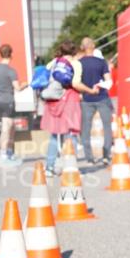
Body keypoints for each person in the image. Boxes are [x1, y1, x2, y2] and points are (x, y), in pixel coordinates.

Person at [42, 40, 83, 176]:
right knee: (72, 133)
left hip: (53, 101)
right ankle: (71, 167)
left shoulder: (53, 62)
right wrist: (89, 90)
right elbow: (76, 83)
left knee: (54, 135)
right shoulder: (75, 63)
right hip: (68, 100)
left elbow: (46, 75)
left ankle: (49, 167)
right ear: (73, 51)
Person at [76, 37, 114, 165]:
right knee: (107, 127)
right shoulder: (101, 62)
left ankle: (89, 158)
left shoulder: (78, 63)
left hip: (86, 98)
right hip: (102, 97)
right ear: (93, 46)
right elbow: (109, 81)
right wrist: (99, 86)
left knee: (85, 129)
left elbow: (77, 82)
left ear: (82, 47)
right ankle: (106, 156)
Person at [0, 43, 28, 166]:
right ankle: (4, 154)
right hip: (8, 101)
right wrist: (26, 84)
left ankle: (9, 152)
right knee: (6, 126)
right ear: (11, 54)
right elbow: (17, 88)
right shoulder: (11, 71)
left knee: (11, 127)